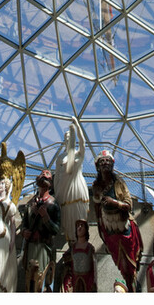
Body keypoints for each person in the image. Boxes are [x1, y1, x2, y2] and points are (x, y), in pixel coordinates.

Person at [91, 149, 143, 292]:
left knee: (130, 266)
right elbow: (97, 211)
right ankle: (130, 285)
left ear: (112, 164)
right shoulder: (96, 186)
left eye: (107, 161)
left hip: (124, 228)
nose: (105, 163)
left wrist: (114, 203)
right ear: (97, 166)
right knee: (122, 266)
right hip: (109, 230)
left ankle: (133, 287)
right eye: (102, 161)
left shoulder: (119, 183)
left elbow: (128, 205)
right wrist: (102, 233)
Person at [21, 169, 61, 292]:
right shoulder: (30, 204)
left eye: (47, 175)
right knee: (30, 279)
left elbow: (56, 230)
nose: (44, 175)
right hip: (31, 246)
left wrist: (46, 217)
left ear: (51, 183)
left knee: (42, 279)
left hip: (44, 247)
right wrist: (24, 232)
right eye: (42, 174)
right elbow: (24, 224)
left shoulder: (53, 204)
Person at [54, 117, 90, 245]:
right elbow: (57, 177)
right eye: (66, 137)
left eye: (70, 137)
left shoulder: (79, 154)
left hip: (77, 189)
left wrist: (77, 126)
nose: (67, 139)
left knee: (79, 218)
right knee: (68, 221)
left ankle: (81, 244)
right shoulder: (60, 157)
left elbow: (83, 142)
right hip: (64, 191)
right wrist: (57, 193)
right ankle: (71, 247)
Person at [61, 219, 97, 293]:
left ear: (86, 229)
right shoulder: (72, 248)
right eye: (77, 226)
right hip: (75, 282)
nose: (79, 228)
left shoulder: (90, 248)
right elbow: (68, 265)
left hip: (87, 283)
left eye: (82, 225)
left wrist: (93, 283)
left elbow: (94, 268)